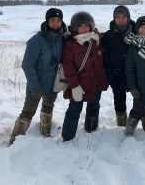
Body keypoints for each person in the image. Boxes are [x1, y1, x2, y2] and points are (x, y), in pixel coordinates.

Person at [9, 8, 67, 146]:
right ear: (47, 21)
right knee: (27, 113)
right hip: (37, 85)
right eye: (52, 20)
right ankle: (14, 141)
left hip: (54, 83)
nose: (55, 23)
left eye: (58, 20)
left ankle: (45, 131)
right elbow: (27, 65)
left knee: (48, 107)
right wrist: (35, 87)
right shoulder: (36, 41)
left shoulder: (63, 38)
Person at [61, 11, 109, 141]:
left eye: (86, 25)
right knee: (74, 109)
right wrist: (75, 86)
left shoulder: (97, 39)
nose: (83, 29)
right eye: (80, 26)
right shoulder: (70, 44)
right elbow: (68, 67)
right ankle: (67, 136)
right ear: (75, 27)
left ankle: (91, 129)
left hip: (96, 81)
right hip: (79, 83)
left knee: (94, 105)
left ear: (91, 26)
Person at [102, 6, 145, 130]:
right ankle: (121, 126)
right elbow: (106, 60)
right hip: (117, 75)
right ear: (114, 19)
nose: (121, 20)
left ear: (128, 18)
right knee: (119, 102)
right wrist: (111, 78)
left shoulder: (137, 33)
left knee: (143, 101)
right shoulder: (109, 36)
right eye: (118, 17)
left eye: (124, 17)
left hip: (137, 75)